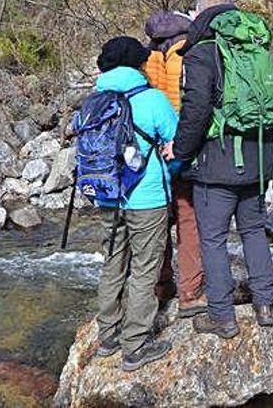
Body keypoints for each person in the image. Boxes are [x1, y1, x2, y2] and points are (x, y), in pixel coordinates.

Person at [163, 0, 273, 339]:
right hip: (261, 157)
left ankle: (222, 316)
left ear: (200, 14)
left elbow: (196, 109)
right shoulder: (256, 47)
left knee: (212, 238)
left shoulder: (201, 52)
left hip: (218, 162)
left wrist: (179, 152)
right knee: (253, 230)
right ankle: (265, 305)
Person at [92, 36, 178, 371]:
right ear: (136, 64)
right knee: (144, 269)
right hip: (147, 197)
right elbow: (176, 142)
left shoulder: (95, 99)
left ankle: (107, 336)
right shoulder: (152, 99)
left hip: (106, 195)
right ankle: (135, 346)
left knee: (112, 263)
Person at [142, 10, 207, 318]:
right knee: (188, 220)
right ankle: (190, 291)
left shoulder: (148, 58)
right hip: (183, 148)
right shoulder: (190, 54)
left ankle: (162, 283)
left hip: (152, 153)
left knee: (159, 222)